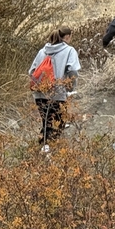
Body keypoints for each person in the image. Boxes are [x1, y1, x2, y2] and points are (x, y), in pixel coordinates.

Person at [29, 25, 81, 153]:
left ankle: (42, 148)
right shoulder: (69, 51)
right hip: (58, 93)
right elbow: (73, 70)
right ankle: (52, 154)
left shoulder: (42, 51)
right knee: (58, 124)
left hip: (39, 93)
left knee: (46, 122)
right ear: (67, 36)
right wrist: (70, 87)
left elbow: (32, 71)